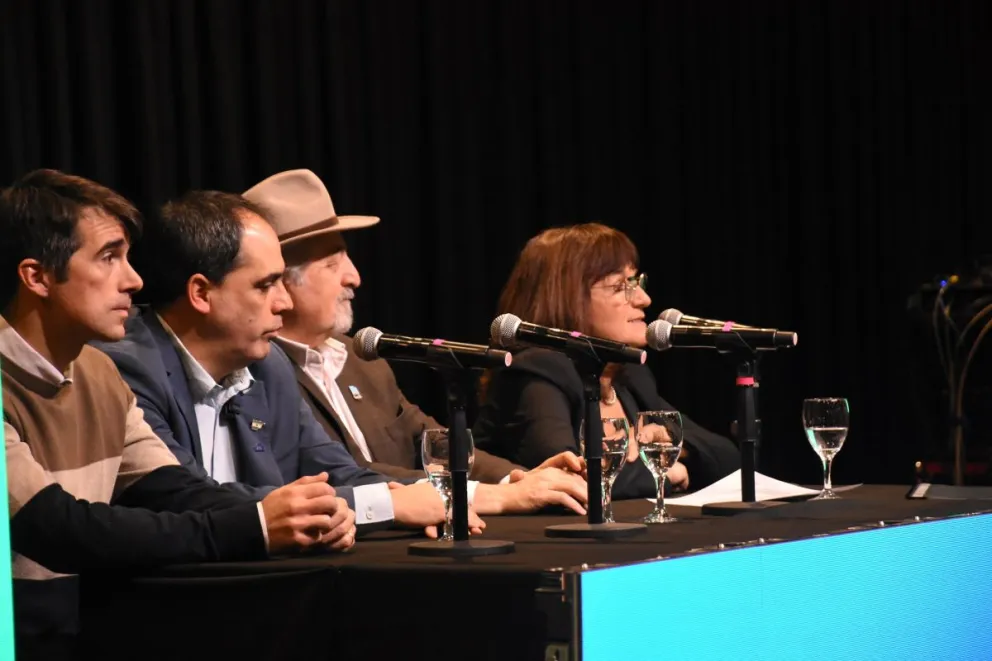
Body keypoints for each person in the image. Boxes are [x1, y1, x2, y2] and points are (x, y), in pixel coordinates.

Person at [1, 170, 353, 659]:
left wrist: (297, 512)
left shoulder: (98, 373)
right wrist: (255, 525)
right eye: (108, 258)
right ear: (37, 276)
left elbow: (172, 490)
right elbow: (61, 530)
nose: (135, 279)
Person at [95, 189, 475, 537]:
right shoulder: (126, 368)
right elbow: (185, 498)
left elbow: (337, 471)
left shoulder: (267, 364)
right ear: (201, 293)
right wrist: (382, 506)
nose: (284, 303)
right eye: (265, 285)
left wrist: (432, 502)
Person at [241, 169, 589, 516]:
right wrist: (479, 494)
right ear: (280, 281)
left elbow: (428, 438)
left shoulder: (362, 358)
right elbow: (344, 473)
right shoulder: (258, 371)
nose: (355, 277)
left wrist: (515, 479)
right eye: (333, 264)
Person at [472, 222, 741, 501]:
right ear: (568, 298)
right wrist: (666, 473)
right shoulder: (537, 372)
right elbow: (572, 479)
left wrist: (674, 445)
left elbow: (730, 459)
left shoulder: (627, 376)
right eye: (620, 286)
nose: (644, 299)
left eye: (638, 282)